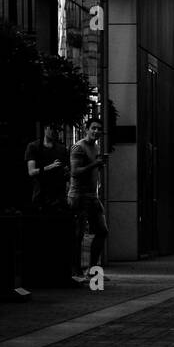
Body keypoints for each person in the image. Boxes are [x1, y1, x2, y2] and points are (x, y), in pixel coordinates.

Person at [69, 119, 108, 282]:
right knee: (77, 234)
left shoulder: (96, 147)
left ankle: (92, 270)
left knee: (102, 231)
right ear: (87, 129)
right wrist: (95, 164)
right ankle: (76, 271)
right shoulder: (79, 147)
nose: (96, 132)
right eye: (93, 128)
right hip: (79, 195)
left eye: (99, 129)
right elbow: (75, 172)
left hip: (92, 196)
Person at [25, 124, 69, 212]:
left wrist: (66, 172)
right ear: (45, 129)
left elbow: (66, 172)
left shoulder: (62, 149)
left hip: (58, 198)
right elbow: (31, 171)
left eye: (56, 129)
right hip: (40, 197)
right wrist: (50, 167)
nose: (54, 131)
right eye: (51, 128)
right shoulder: (34, 146)